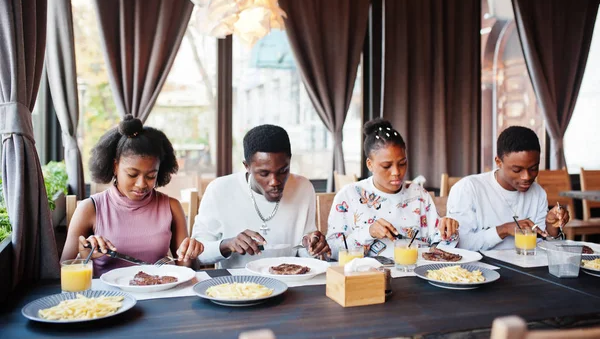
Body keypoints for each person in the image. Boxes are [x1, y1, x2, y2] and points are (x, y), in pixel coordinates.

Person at [61, 115, 204, 276]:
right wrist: (85, 256)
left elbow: (183, 269)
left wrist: (190, 254)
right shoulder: (90, 208)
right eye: (132, 174)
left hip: (157, 293)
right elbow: (63, 270)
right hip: (107, 298)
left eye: (151, 176)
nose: (142, 184)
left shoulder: (171, 207)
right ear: (115, 166)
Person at [192, 124, 330, 269]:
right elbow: (198, 254)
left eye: (283, 171)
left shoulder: (303, 187)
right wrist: (227, 244)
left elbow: (305, 251)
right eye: (264, 173)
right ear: (247, 166)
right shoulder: (219, 190)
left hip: (288, 280)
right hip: (235, 286)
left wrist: (312, 246)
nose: (275, 181)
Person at [326, 118, 459, 260]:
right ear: (370, 164)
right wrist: (368, 232)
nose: (396, 172)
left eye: (402, 163)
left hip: (415, 273)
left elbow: (440, 245)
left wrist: (448, 230)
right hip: (367, 277)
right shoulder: (348, 196)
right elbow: (332, 251)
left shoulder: (419, 195)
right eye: (386, 166)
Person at [446, 126, 570, 251]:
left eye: (533, 169)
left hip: (526, 266)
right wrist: (503, 230)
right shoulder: (469, 188)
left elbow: (545, 248)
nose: (526, 177)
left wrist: (551, 226)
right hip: (480, 268)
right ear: (498, 162)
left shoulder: (538, 193)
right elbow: (458, 244)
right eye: (517, 170)